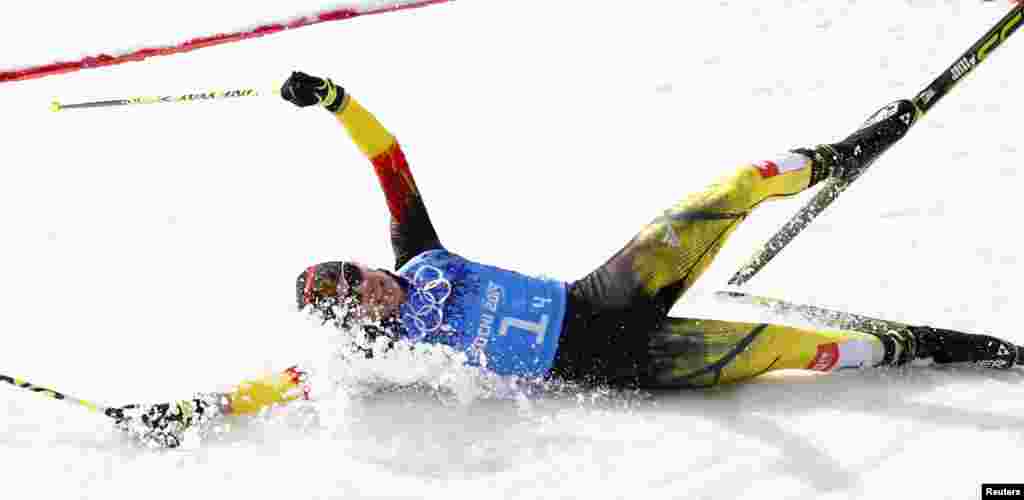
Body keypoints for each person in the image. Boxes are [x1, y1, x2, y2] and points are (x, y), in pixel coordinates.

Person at [114, 71, 1022, 449]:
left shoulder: (421, 255)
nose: (375, 280)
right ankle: (951, 348)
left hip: (604, 292)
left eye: (360, 268)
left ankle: (841, 151)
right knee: (800, 353)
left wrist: (337, 100)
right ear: (356, 319)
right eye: (359, 292)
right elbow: (277, 387)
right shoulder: (376, 357)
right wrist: (189, 409)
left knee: (730, 187)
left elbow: (386, 156)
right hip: (616, 362)